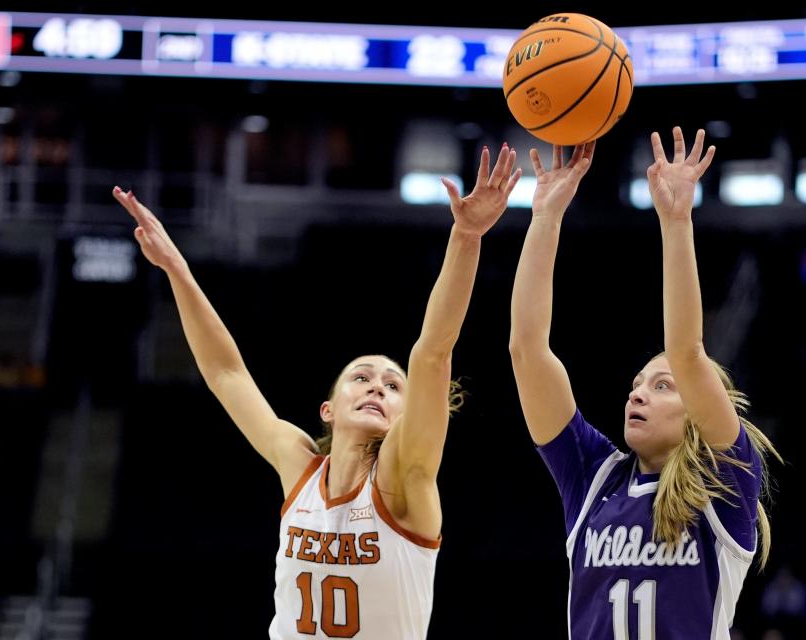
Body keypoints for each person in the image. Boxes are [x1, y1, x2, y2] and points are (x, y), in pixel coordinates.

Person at [112, 142, 522, 639]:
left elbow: (433, 352)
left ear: (405, 413)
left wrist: (467, 235)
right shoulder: (299, 466)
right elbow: (227, 374)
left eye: (393, 387)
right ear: (328, 409)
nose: (377, 387)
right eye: (362, 377)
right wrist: (177, 269)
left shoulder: (403, 479)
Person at [508, 128, 781, 639]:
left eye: (662, 387)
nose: (636, 393)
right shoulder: (594, 478)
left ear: (698, 411)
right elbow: (526, 350)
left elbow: (687, 351)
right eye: (637, 383)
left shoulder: (726, 484)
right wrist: (544, 218)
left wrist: (676, 222)